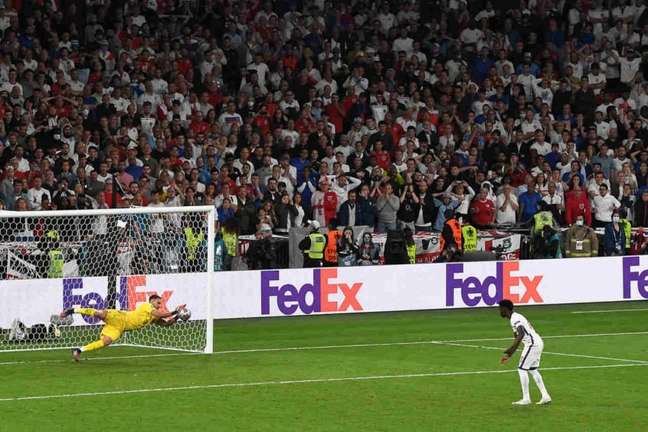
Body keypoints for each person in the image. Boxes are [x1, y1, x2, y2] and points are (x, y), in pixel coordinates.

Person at [59, 295, 185, 361]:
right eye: (158, 302)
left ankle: (78, 350)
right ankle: (72, 310)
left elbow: (166, 324)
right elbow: (159, 314)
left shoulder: (153, 317)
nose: (160, 305)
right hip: (119, 317)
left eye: (161, 304)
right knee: (100, 314)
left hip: (119, 328)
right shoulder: (147, 306)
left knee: (106, 341)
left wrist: (178, 316)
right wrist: (175, 310)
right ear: (152, 301)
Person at [498, 299, 552, 406]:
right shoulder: (515, 317)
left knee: (521, 369)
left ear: (505, 309)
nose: (499, 311)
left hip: (532, 344)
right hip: (537, 342)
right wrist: (509, 354)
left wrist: (510, 350)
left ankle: (526, 398)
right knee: (532, 370)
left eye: (500, 309)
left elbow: (521, 333)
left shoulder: (515, 318)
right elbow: (517, 337)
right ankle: (545, 396)